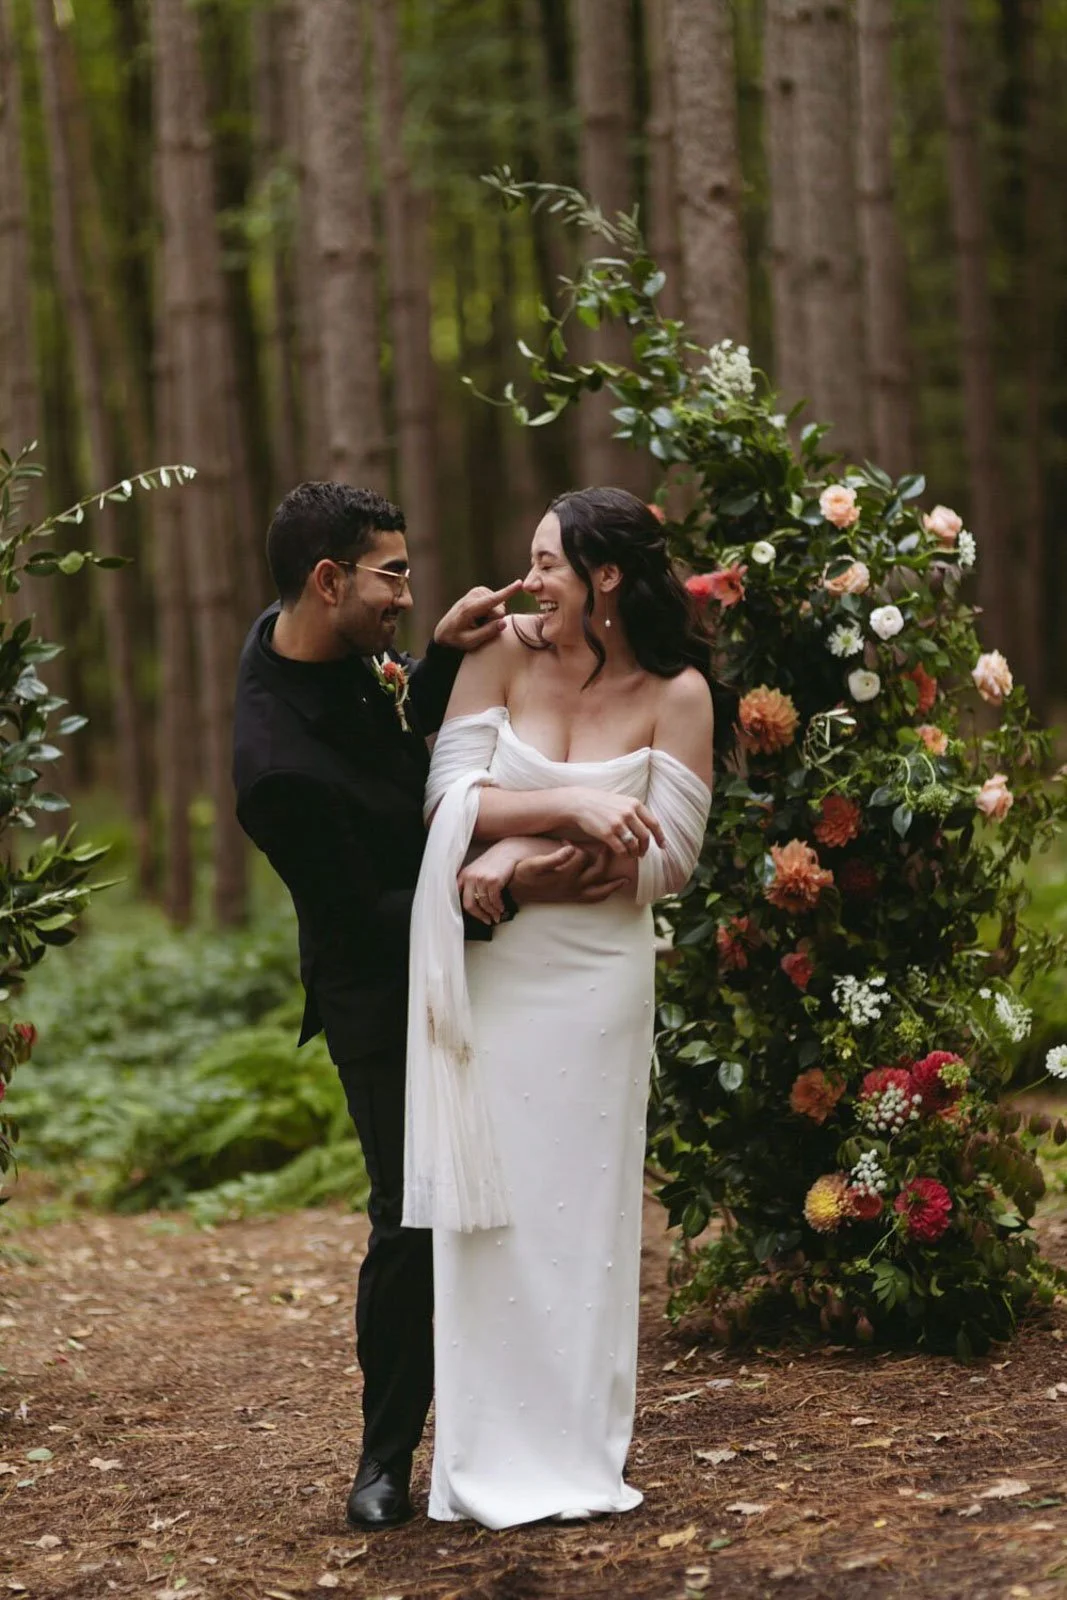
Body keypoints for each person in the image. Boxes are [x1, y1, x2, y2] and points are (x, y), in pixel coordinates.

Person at [232, 482, 621, 1532]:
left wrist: (441, 652)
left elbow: (404, 742)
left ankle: (534, 1417)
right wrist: (512, 878)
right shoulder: (273, 767)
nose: (408, 593)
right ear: (329, 580)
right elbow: (361, 916)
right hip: (381, 984)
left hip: (474, 941)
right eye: (393, 575)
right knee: (409, 1213)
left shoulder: (304, 635)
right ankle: (384, 1455)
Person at [403, 486, 714, 1529]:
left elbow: (664, 856)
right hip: (494, 971)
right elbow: (447, 797)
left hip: (596, 980)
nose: (526, 578)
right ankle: (480, 1458)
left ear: (606, 577)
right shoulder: (499, 651)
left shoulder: (677, 693)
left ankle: (576, 1449)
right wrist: (567, 810)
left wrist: (522, 858)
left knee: (581, 1216)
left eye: (546, 562)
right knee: (489, 1210)